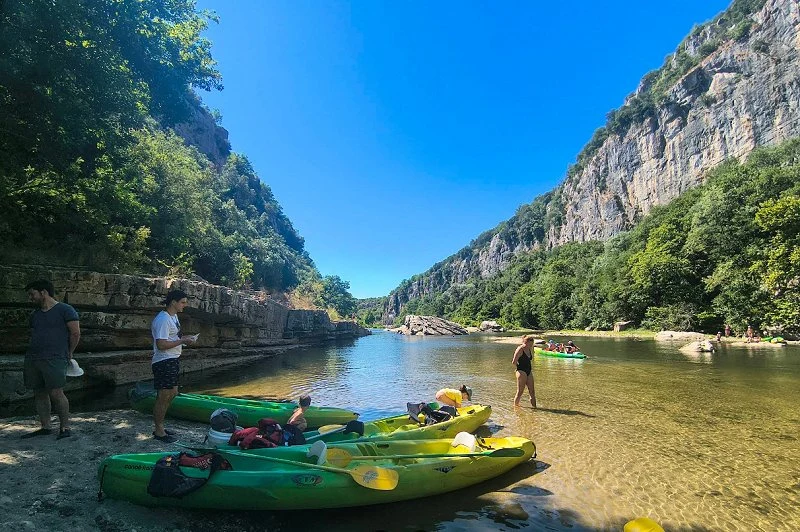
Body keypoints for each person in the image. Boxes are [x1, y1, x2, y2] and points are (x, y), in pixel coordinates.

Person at [21, 280, 80, 440]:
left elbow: (75, 333)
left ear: (44, 292)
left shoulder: (65, 310)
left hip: (55, 357)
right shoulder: (35, 314)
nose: (30, 298)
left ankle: (65, 427)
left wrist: (69, 352)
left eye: (32, 294)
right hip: (33, 358)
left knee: (56, 392)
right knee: (39, 392)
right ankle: (45, 426)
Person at [150, 289, 196, 443]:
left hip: (172, 359)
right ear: (173, 302)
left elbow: (172, 337)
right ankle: (159, 430)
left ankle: (160, 425)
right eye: (182, 302)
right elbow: (161, 344)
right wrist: (183, 341)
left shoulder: (174, 316)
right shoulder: (162, 319)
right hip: (164, 361)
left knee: (172, 393)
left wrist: (185, 338)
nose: (184, 305)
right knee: (163, 396)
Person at [511, 335, 536, 408]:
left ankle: (535, 409)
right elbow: (514, 362)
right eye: (530, 344)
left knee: (532, 392)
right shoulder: (520, 349)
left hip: (529, 371)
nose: (531, 346)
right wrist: (519, 370)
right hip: (521, 371)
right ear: (525, 342)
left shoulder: (529, 349)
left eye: (532, 344)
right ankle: (516, 407)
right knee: (520, 392)